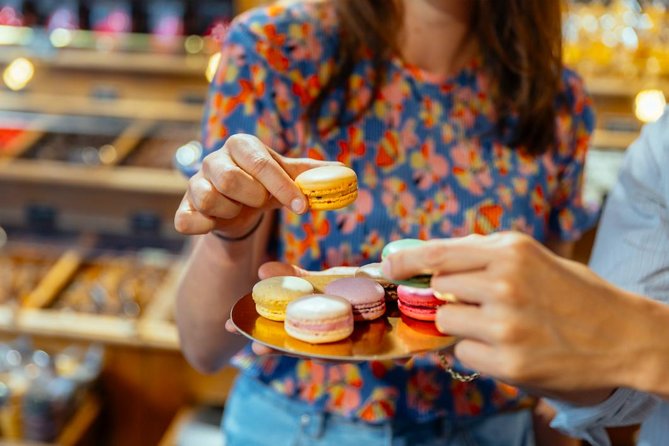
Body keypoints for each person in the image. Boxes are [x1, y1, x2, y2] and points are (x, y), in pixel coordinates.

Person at [174, 0, 595, 444]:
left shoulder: (557, 101)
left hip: (491, 427)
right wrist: (232, 234)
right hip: (296, 423)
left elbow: (547, 332)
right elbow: (204, 347)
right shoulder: (276, 49)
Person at [381, 108, 669, 445]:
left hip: (502, 418)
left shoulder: (557, 104)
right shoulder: (659, 144)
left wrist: (643, 341)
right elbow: (622, 391)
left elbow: (623, 354)